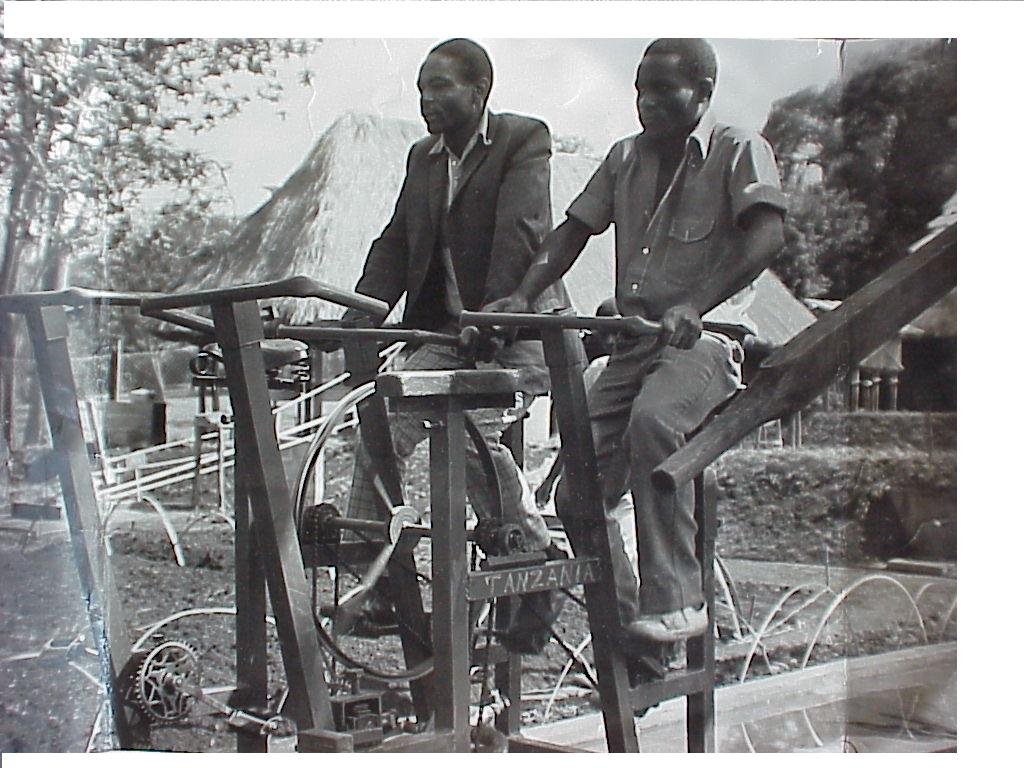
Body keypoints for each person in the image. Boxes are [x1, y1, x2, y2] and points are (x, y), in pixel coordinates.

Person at [483, 38, 787, 646]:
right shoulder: (625, 157)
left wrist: (696, 305)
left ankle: (680, 600)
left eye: (663, 91)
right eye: (640, 91)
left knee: (654, 423)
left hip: (706, 343)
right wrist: (523, 294)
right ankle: (627, 630)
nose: (647, 103)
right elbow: (573, 231)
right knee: (576, 488)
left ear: (703, 92)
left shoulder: (737, 149)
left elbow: (767, 237)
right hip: (635, 344)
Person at [342, 38, 572, 651]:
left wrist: (491, 319)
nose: (427, 100)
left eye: (440, 86)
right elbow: (396, 242)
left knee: (467, 430)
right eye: (421, 88)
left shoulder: (523, 140)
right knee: (381, 425)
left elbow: (520, 234)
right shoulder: (423, 158)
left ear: (479, 90)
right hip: (449, 334)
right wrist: (362, 311)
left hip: (517, 329)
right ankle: (380, 582)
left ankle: (531, 553)